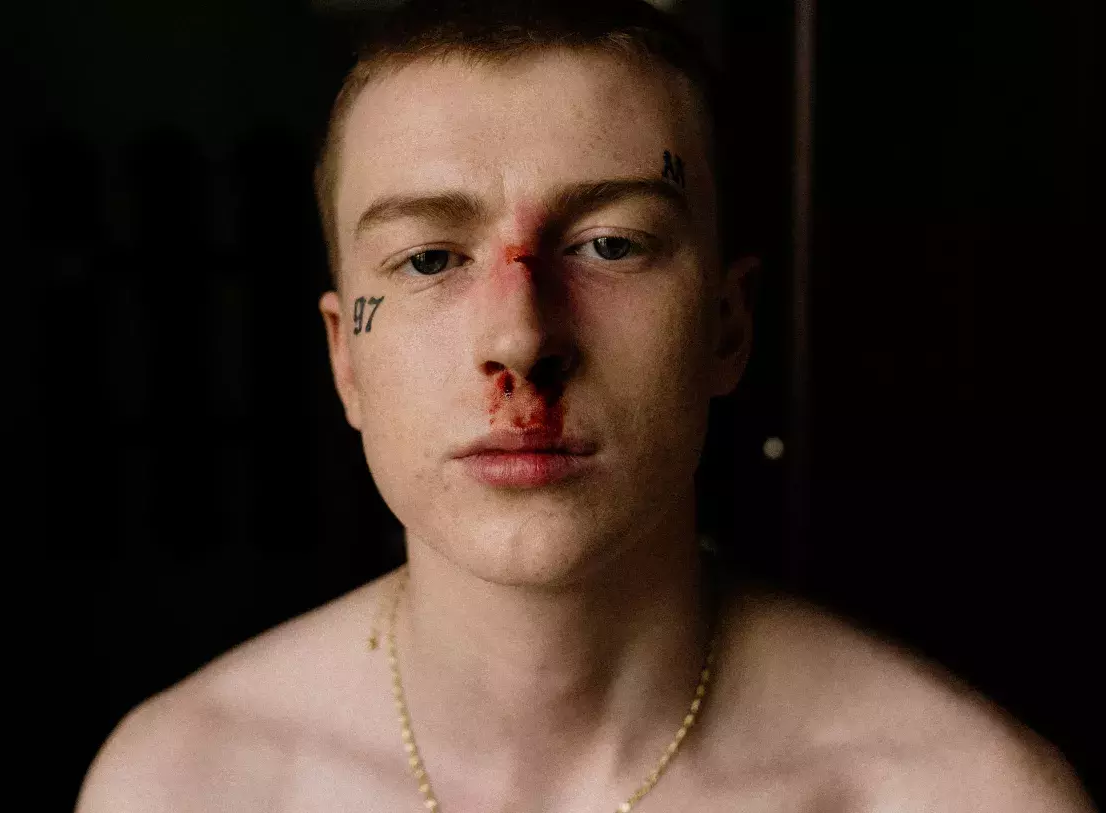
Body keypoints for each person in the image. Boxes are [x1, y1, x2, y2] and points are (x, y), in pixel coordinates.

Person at [76, 1, 1095, 810]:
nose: (521, 338)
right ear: (346, 357)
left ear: (726, 327)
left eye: (610, 244)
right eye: (429, 258)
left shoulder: (961, 795)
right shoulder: (185, 785)